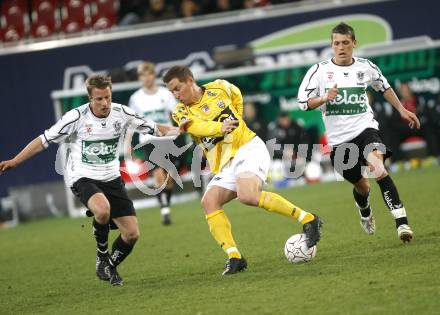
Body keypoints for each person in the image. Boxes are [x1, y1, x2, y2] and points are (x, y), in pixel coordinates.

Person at [0, 75, 179, 285]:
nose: (105, 103)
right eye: (99, 99)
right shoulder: (76, 117)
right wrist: (15, 161)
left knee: (131, 234)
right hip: (83, 177)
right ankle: (102, 255)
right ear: (90, 98)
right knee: (102, 210)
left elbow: (156, 128)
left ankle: (110, 267)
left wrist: (182, 130)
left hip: (111, 178)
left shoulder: (122, 113)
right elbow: (44, 140)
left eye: (108, 97)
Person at [163, 66, 323, 275]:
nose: (176, 94)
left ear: (190, 80)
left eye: (177, 88)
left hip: (248, 148)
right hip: (226, 163)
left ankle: (309, 219)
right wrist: (219, 128)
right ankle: (235, 257)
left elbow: (236, 94)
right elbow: (196, 128)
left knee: (248, 196)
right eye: (171, 91)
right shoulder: (180, 111)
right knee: (209, 202)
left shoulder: (219, 87)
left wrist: (238, 120)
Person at [297, 22, 420, 242]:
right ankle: (364, 208)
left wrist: (402, 109)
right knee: (362, 187)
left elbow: (383, 87)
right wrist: (325, 98)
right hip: (339, 142)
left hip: (366, 129)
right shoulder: (319, 71)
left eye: (345, 43)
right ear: (331, 45)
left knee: (379, 169)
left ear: (354, 43)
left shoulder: (366, 67)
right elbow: (303, 103)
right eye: (336, 43)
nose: (341, 47)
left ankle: (402, 224)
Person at [129, 62, 179, 225]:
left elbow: (176, 113)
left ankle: (166, 205)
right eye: (143, 75)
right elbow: (132, 121)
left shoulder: (166, 94)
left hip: (167, 139)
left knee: (169, 179)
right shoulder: (136, 98)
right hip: (148, 140)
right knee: (158, 174)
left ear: (154, 75)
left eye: (149, 74)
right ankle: (164, 210)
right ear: (140, 78)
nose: (147, 78)